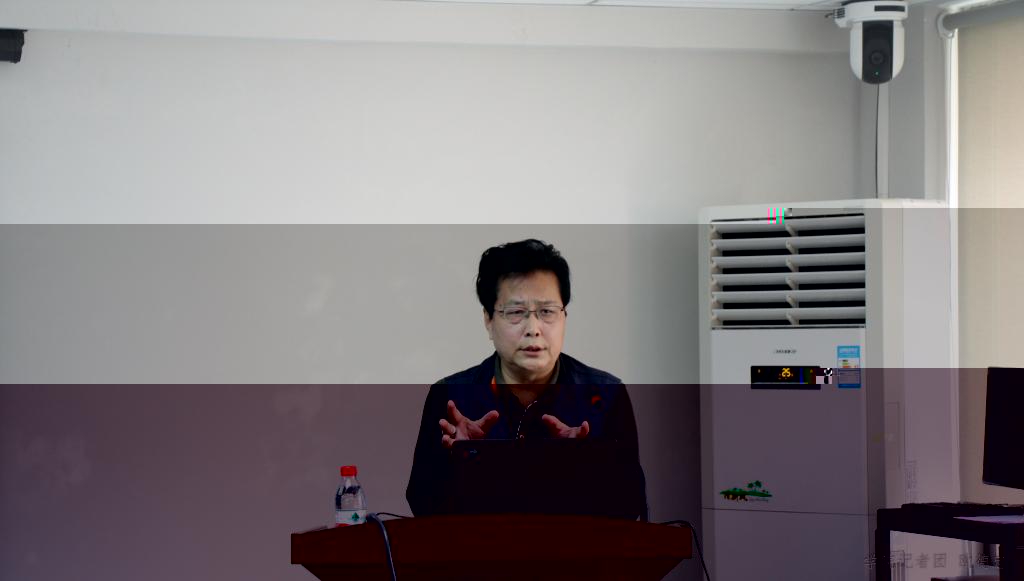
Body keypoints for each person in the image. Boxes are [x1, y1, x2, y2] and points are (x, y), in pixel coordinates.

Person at [406, 239, 647, 519]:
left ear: (564, 317)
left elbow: (631, 508)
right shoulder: (451, 397)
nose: (533, 328)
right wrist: (462, 460)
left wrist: (586, 464)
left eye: (547, 312)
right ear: (488, 320)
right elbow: (422, 506)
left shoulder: (605, 396)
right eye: (516, 312)